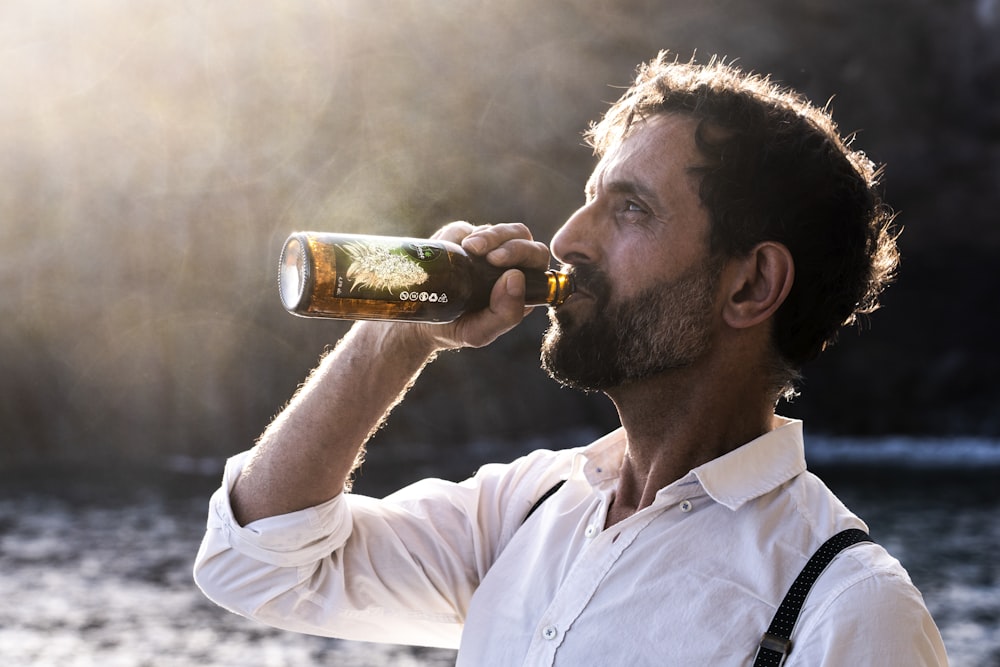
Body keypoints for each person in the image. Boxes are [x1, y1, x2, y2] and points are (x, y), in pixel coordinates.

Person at [194, 52, 948, 665]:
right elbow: (254, 562)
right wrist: (400, 336)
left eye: (630, 210)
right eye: (588, 198)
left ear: (751, 284)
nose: (567, 240)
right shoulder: (528, 507)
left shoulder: (848, 610)